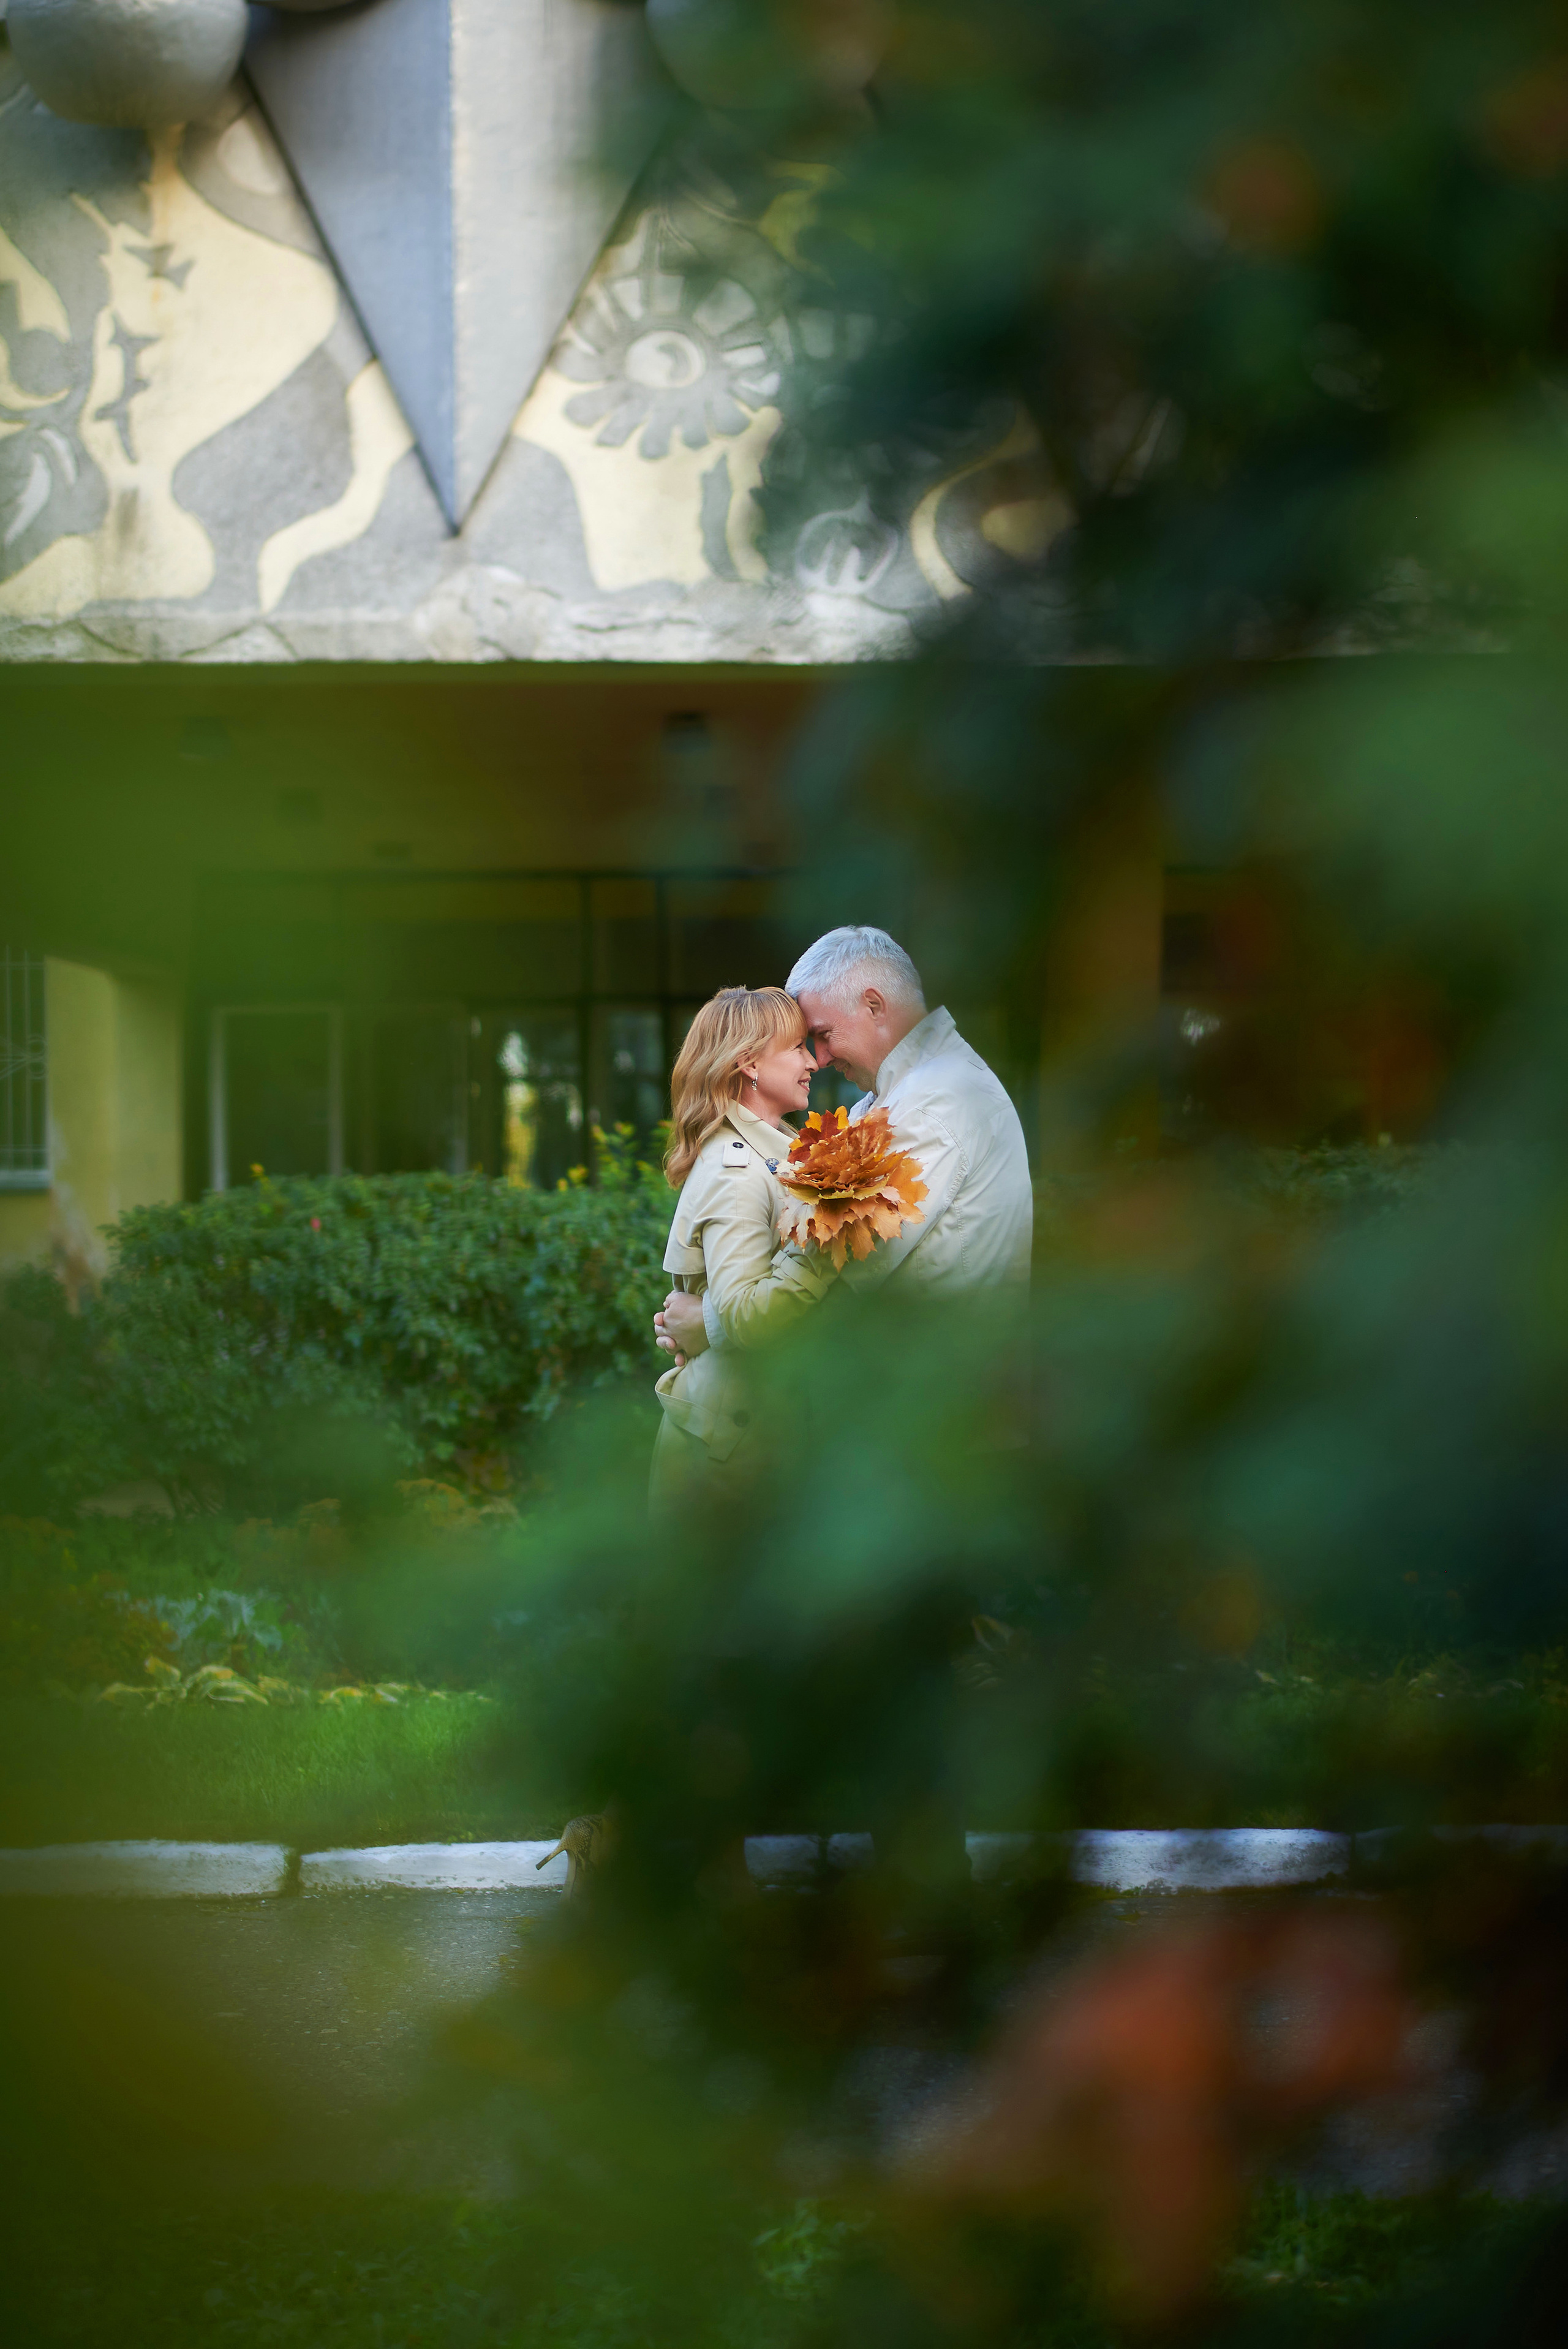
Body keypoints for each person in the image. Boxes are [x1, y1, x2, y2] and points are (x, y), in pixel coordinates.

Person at [655, 926, 1031, 1365]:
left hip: (938, 1407)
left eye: (821, 1034)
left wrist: (710, 1324)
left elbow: (844, 1270)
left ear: (873, 1005)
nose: (821, 1058)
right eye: (802, 1045)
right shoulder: (903, 1093)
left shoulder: (934, 1103)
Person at [648, 987, 837, 1509]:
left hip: (745, 1433)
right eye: (797, 1047)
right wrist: (830, 1240)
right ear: (748, 1062)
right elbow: (746, 1315)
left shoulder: (770, 1155)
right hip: (732, 1452)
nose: (812, 1061)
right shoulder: (738, 1171)